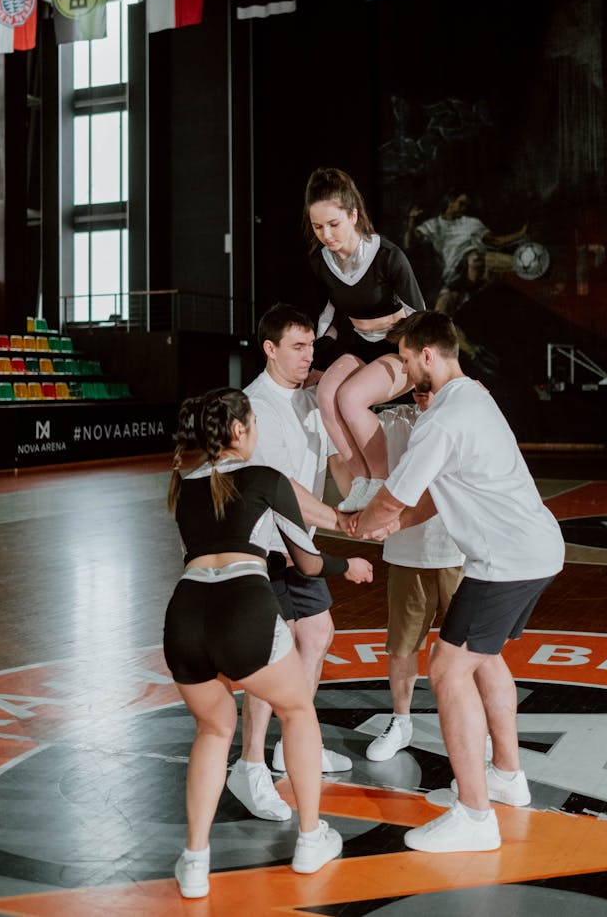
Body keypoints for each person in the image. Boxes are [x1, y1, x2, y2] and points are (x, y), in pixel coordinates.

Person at [347, 311, 565, 854]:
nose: (401, 371)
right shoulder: (472, 397)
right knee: (485, 658)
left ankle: (474, 814)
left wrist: (360, 523)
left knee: (446, 669)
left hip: (505, 560)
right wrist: (394, 521)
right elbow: (425, 498)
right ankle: (507, 778)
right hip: (533, 551)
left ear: (427, 355)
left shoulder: (441, 419)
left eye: (403, 359)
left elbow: (394, 497)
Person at [164, 387, 372, 898]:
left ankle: (194, 863)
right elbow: (308, 563)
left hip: (185, 615)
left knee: (214, 730)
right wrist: (351, 566)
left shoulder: (181, 484)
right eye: (253, 422)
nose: (257, 430)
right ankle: (309, 839)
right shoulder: (267, 479)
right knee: (298, 710)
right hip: (243, 609)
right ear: (238, 431)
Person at [226, 304, 356, 825]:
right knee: (272, 656)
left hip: (299, 542)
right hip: (264, 547)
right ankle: (250, 764)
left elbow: (334, 464)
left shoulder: (309, 400)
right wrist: (345, 523)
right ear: (270, 349)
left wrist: (362, 503)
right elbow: (286, 494)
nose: (308, 357)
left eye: (311, 346)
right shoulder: (256, 406)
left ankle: (293, 741)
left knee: (318, 634)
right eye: (297, 348)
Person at [304, 167, 425, 510]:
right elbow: (328, 317)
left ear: (353, 215)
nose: (326, 234)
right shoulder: (321, 261)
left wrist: (440, 377)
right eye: (317, 226)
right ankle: (362, 481)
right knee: (326, 395)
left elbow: (421, 319)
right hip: (361, 343)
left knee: (351, 397)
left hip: (399, 346)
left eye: (333, 224)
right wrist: (315, 363)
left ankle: (382, 482)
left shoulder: (388, 257)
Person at [365, 388, 465, 762]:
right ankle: (401, 721)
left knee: (468, 649)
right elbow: (346, 400)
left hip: (457, 549)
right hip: (407, 550)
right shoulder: (391, 420)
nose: (424, 394)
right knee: (402, 645)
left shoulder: (460, 414)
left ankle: (476, 725)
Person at [404, 188, 527, 302]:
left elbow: (494, 241)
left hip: (479, 262)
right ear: (450, 201)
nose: (463, 208)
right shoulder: (434, 225)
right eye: (461, 203)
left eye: (466, 205)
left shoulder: (471, 223)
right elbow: (409, 243)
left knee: (520, 265)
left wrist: (520, 234)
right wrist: (412, 221)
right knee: (444, 308)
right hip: (454, 273)